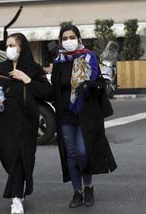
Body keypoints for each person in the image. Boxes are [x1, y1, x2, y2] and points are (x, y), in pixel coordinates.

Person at [51, 24, 117, 208]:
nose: (68, 41)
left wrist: (90, 85)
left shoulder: (89, 58)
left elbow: (100, 85)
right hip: (65, 114)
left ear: (79, 39)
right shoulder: (59, 61)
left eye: (71, 37)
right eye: (64, 38)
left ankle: (88, 186)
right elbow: (53, 89)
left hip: (86, 113)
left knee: (82, 151)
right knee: (71, 154)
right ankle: (77, 192)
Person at [0, 33, 51, 214]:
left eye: (13, 45)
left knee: (22, 158)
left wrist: (27, 79)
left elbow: (47, 93)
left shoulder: (34, 69)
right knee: (9, 158)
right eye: (7, 45)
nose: (9, 49)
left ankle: (16, 199)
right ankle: (18, 188)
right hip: (4, 123)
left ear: (22, 47)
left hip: (27, 123)